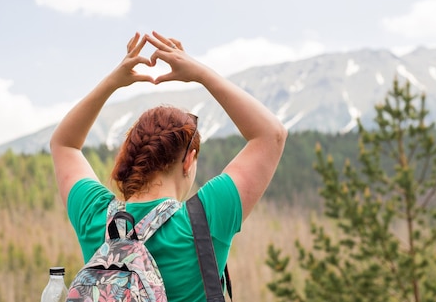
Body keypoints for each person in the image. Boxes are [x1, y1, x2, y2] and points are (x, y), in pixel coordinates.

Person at [50, 31, 287, 302]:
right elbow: (272, 134)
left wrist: (113, 81)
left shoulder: (95, 216)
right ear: (188, 160)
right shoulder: (204, 219)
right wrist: (200, 74)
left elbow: (64, 144)